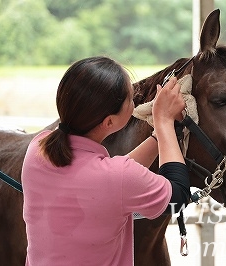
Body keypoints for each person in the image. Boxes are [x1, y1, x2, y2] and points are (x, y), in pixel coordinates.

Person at [21, 56, 190, 265]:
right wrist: (163, 121)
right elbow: (177, 198)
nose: (136, 100)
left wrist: (159, 137)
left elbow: (114, 182)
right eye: (131, 99)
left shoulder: (37, 149)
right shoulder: (116, 177)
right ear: (109, 121)